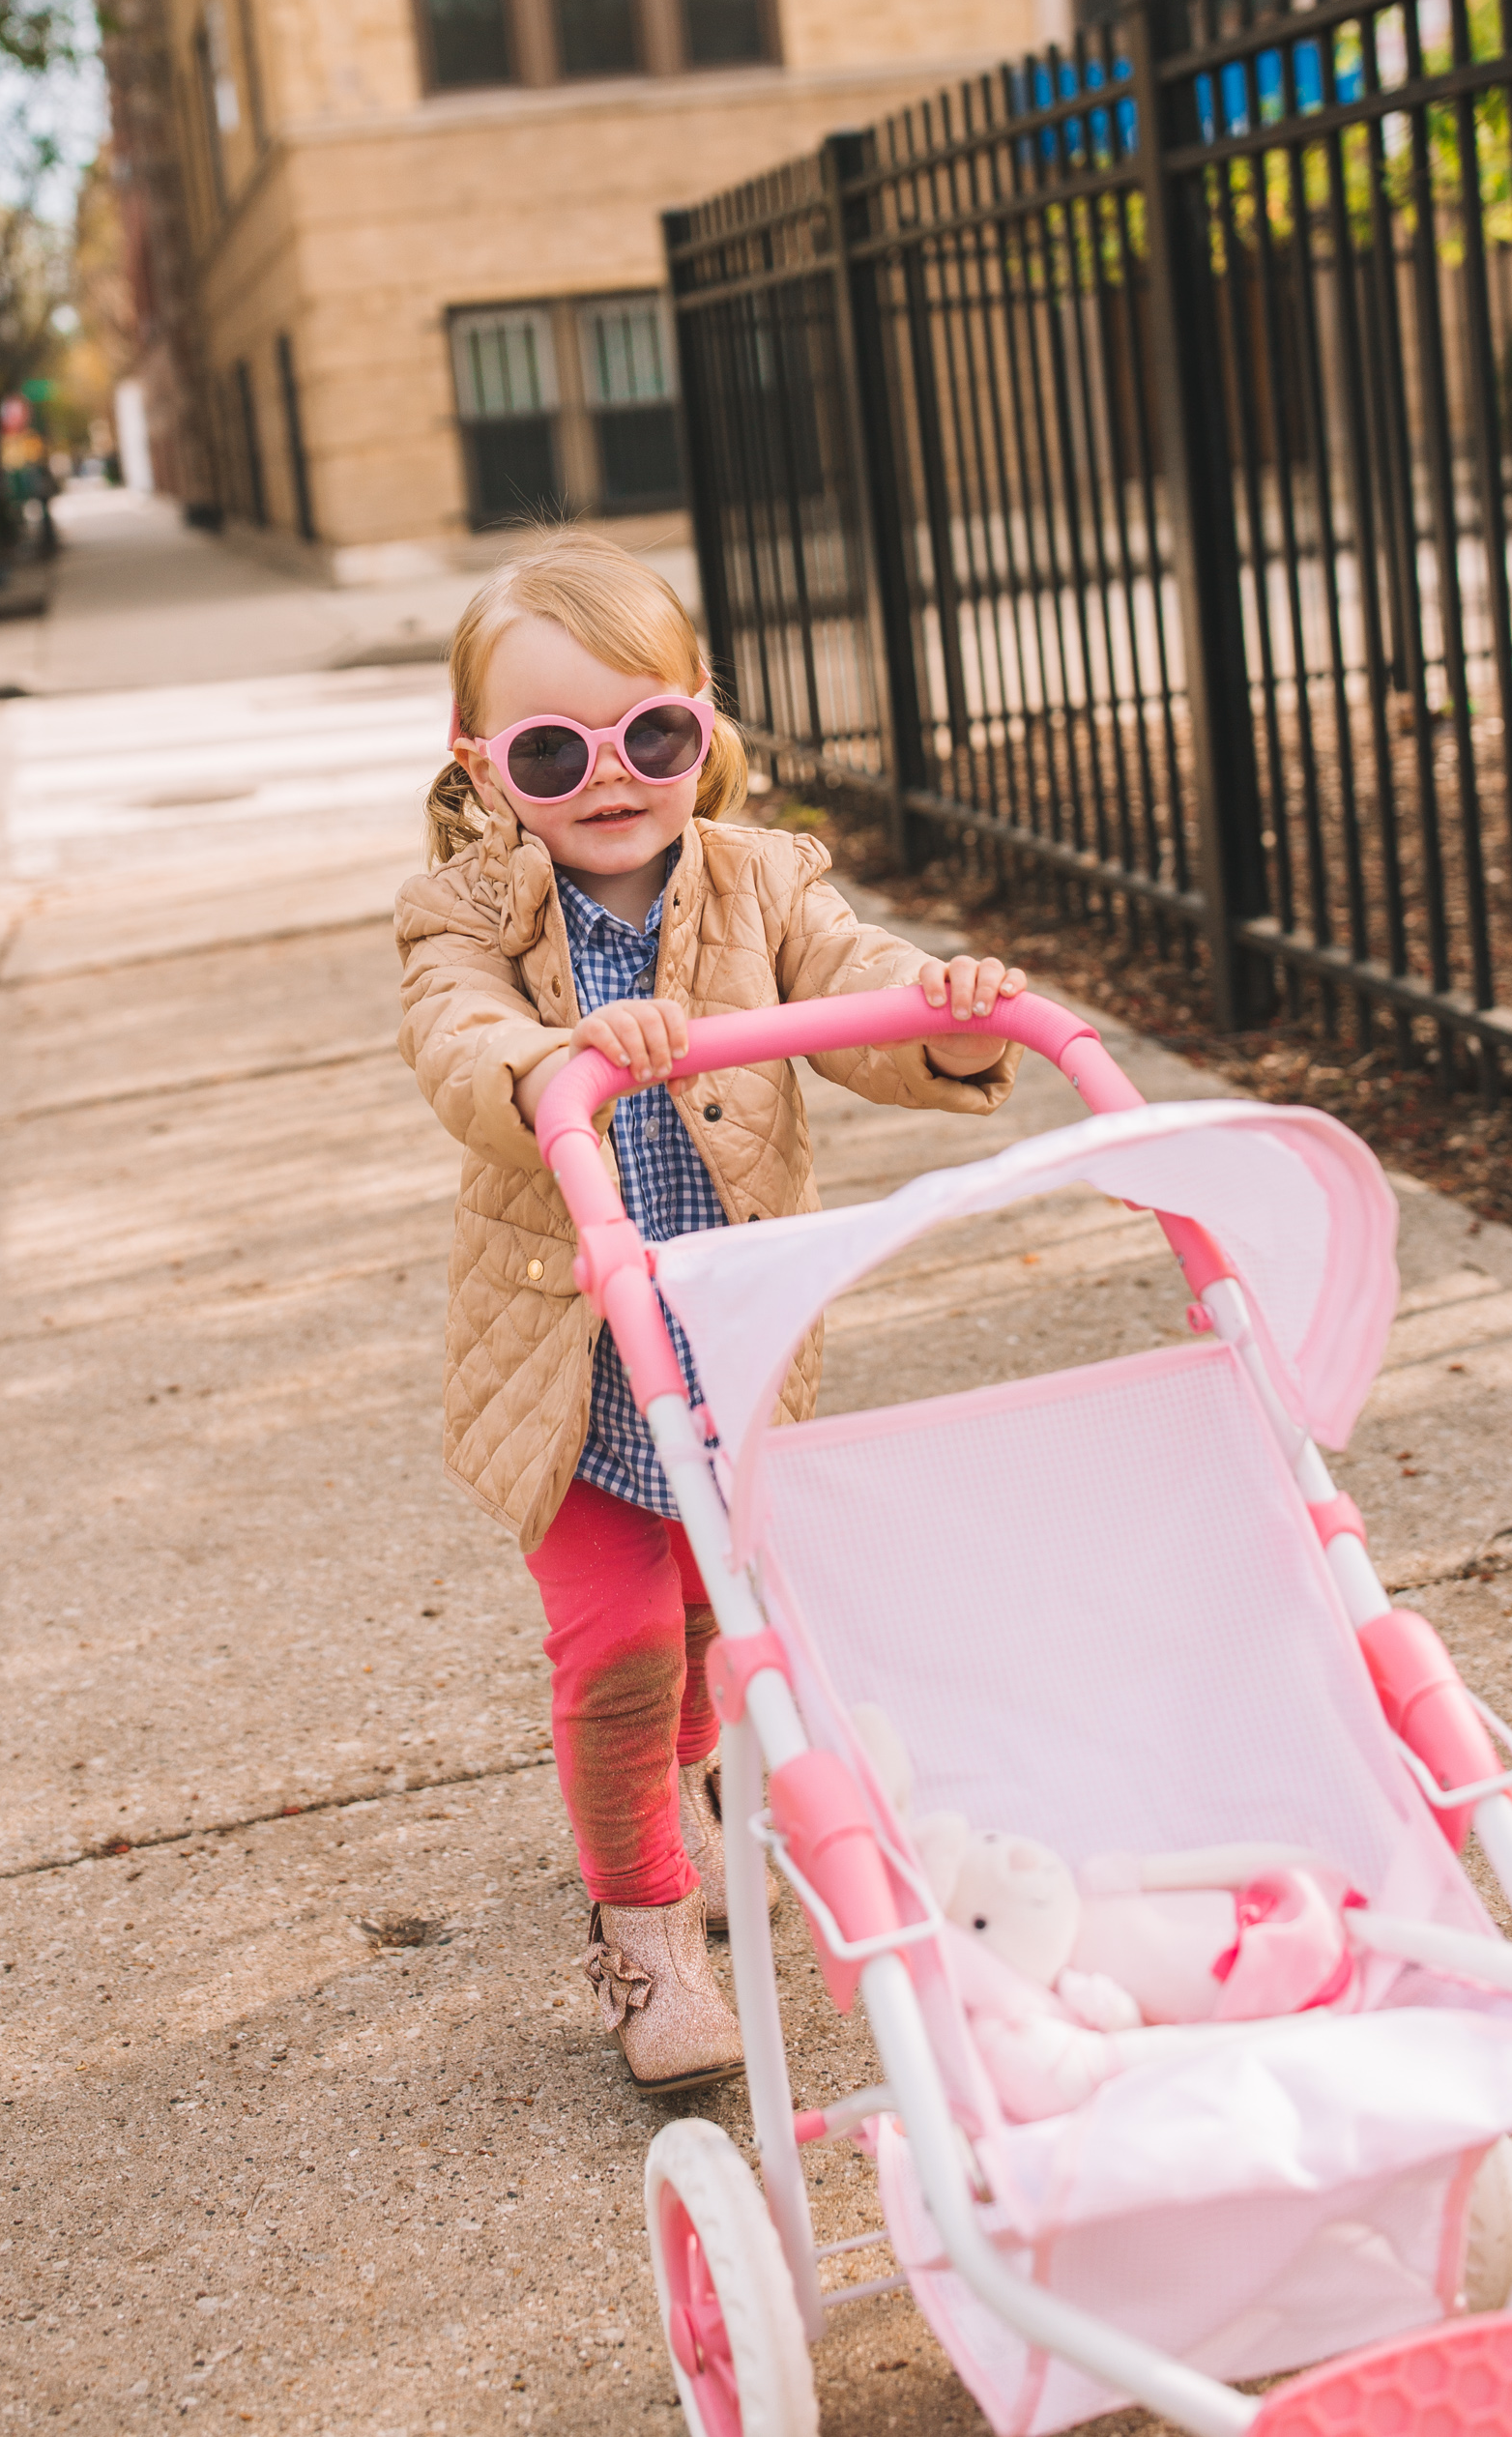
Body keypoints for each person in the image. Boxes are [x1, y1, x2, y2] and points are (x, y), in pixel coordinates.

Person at [396, 532, 1025, 2095]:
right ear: (485, 768)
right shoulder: (468, 914)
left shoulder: (764, 880)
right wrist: (548, 1060)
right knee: (617, 1646)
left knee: (709, 1629)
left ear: (701, 725)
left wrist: (936, 1016)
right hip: (571, 1362)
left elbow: (851, 981)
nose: (611, 779)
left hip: (730, 1352)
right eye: (553, 750)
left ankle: (674, 1793)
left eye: (651, 736)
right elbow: (455, 1034)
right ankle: (645, 1919)